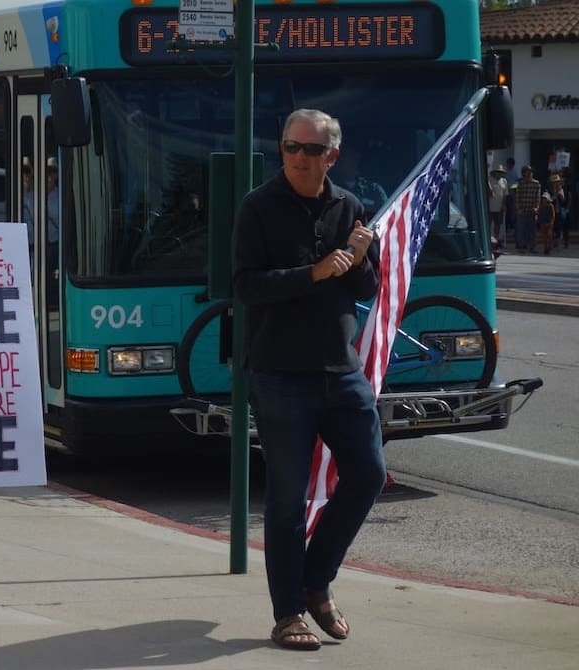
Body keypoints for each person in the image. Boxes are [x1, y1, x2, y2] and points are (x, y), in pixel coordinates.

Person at [232, 109, 385, 651]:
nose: (298, 156)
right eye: (291, 146)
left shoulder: (349, 206)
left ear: (332, 157)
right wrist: (314, 272)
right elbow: (247, 286)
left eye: (311, 150)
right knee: (287, 499)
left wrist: (364, 259)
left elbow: (364, 286)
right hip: (279, 373)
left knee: (369, 474)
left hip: (340, 371)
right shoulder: (258, 206)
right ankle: (288, 612)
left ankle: (317, 580)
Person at [513, 165, 541, 252]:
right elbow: (517, 197)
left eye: (531, 171)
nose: (529, 173)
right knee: (521, 228)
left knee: (532, 230)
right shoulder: (520, 183)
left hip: (532, 209)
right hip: (522, 209)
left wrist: (536, 208)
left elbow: (538, 197)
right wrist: (518, 208)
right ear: (524, 173)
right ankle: (521, 246)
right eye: (527, 171)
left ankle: (532, 247)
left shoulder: (536, 183)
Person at [488, 164, 508, 249]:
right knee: (488, 223)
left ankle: (496, 239)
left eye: (500, 172)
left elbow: (505, 194)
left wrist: (503, 205)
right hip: (490, 206)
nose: (499, 174)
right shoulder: (489, 180)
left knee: (498, 224)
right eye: (497, 172)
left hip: (499, 206)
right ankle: (488, 238)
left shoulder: (504, 181)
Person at [548, 173, 571, 249]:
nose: (556, 183)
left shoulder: (564, 190)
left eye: (557, 181)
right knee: (555, 227)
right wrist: (555, 194)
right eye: (554, 182)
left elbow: (566, 200)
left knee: (564, 227)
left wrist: (567, 208)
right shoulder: (550, 190)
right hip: (553, 212)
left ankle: (565, 242)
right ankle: (555, 242)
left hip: (563, 211)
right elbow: (549, 200)